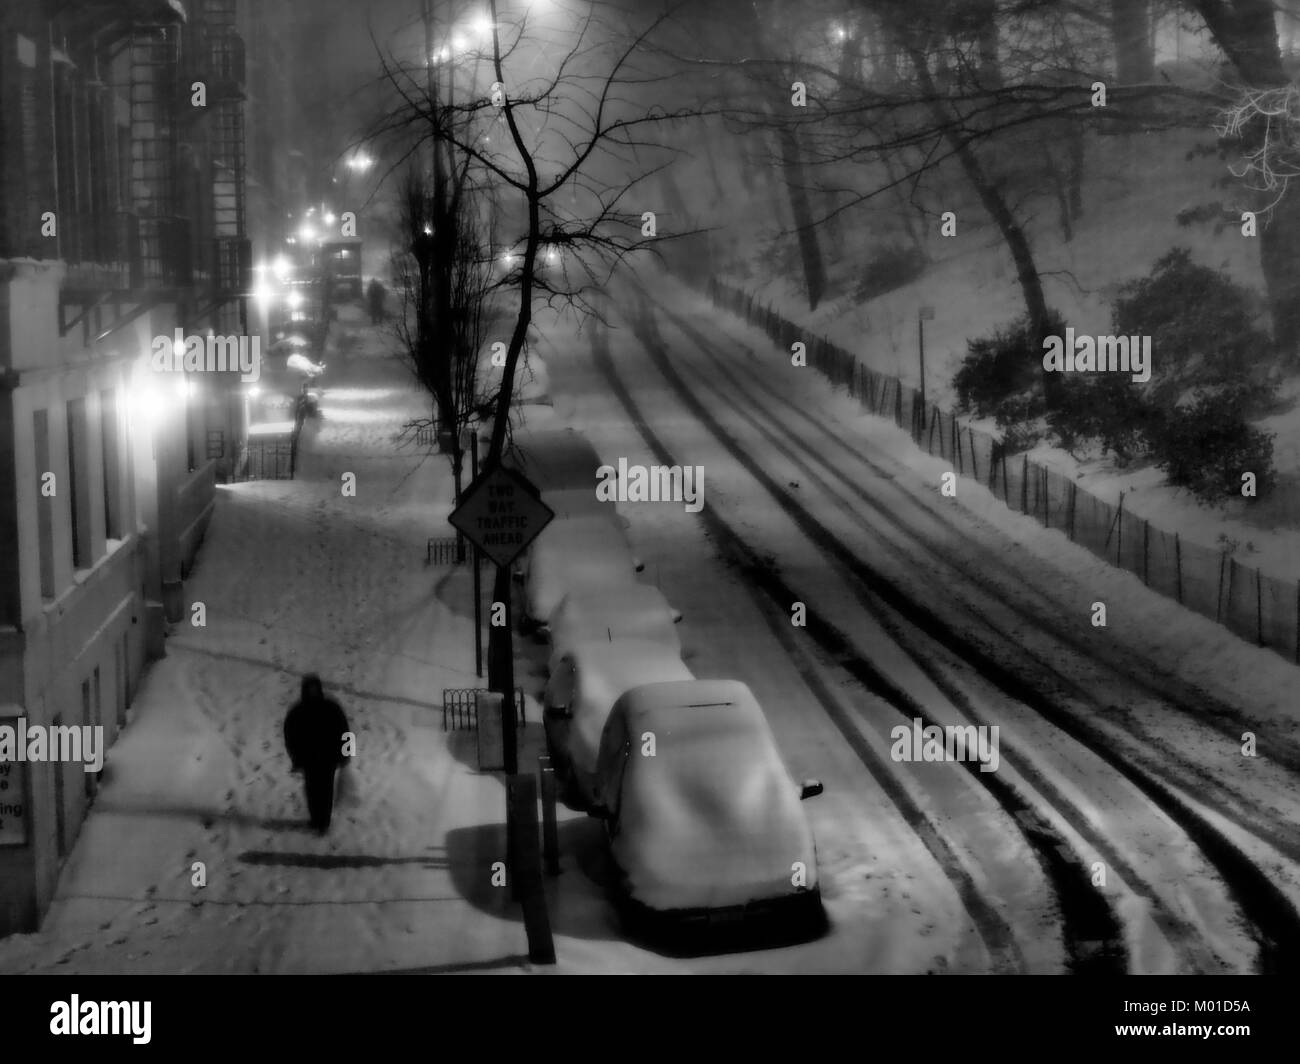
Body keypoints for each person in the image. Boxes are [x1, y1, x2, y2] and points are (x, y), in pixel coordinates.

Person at [284, 674, 351, 833]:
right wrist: (295, 757)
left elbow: (345, 732)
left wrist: (346, 754)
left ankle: (324, 822)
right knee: (312, 790)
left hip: (329, 758)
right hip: (309, 759)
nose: (312, 692)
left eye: (314, 688)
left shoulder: (331, 708)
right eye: (309, 689)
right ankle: (315, 819)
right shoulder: (298, 711)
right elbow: (290, 737)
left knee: (326, 790)